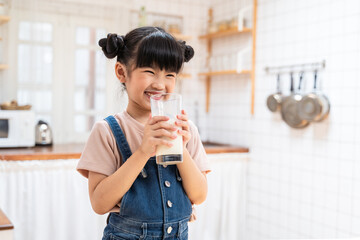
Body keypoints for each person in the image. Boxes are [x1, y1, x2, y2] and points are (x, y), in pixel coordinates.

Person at [76, 26, 211, 240]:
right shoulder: (107, 131)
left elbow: (199, 195)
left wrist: (181, 149)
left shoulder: (186, 130)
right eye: (149, 71)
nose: (160, 84)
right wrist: (143, 151)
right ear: (122, 72)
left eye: (169, 74)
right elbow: (99, 204)